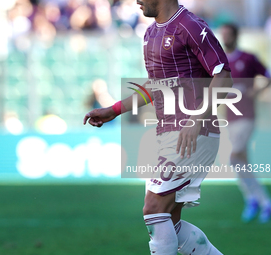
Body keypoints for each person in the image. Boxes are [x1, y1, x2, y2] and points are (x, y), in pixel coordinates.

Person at [84, 0, 233, 254]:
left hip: (194, 132)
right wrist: (115, 110)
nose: (137, 1)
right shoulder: (151, 32)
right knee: (169, 222)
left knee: (153, 208)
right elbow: (156, 86)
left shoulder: (190, 26)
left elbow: (224, 75)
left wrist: (196, 119)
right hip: (168, 133)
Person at [221, 23, 271, 223]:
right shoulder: (220, 62)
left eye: (228, 34)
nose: (225, 38)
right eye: (223, 34)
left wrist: (256, 92)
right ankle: (256, 201)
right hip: (230, 117)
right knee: (241, 162)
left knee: (234, 157)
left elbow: (267, 76)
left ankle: (259, 200)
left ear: (235, 35)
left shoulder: (248, 58)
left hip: (247, 116)